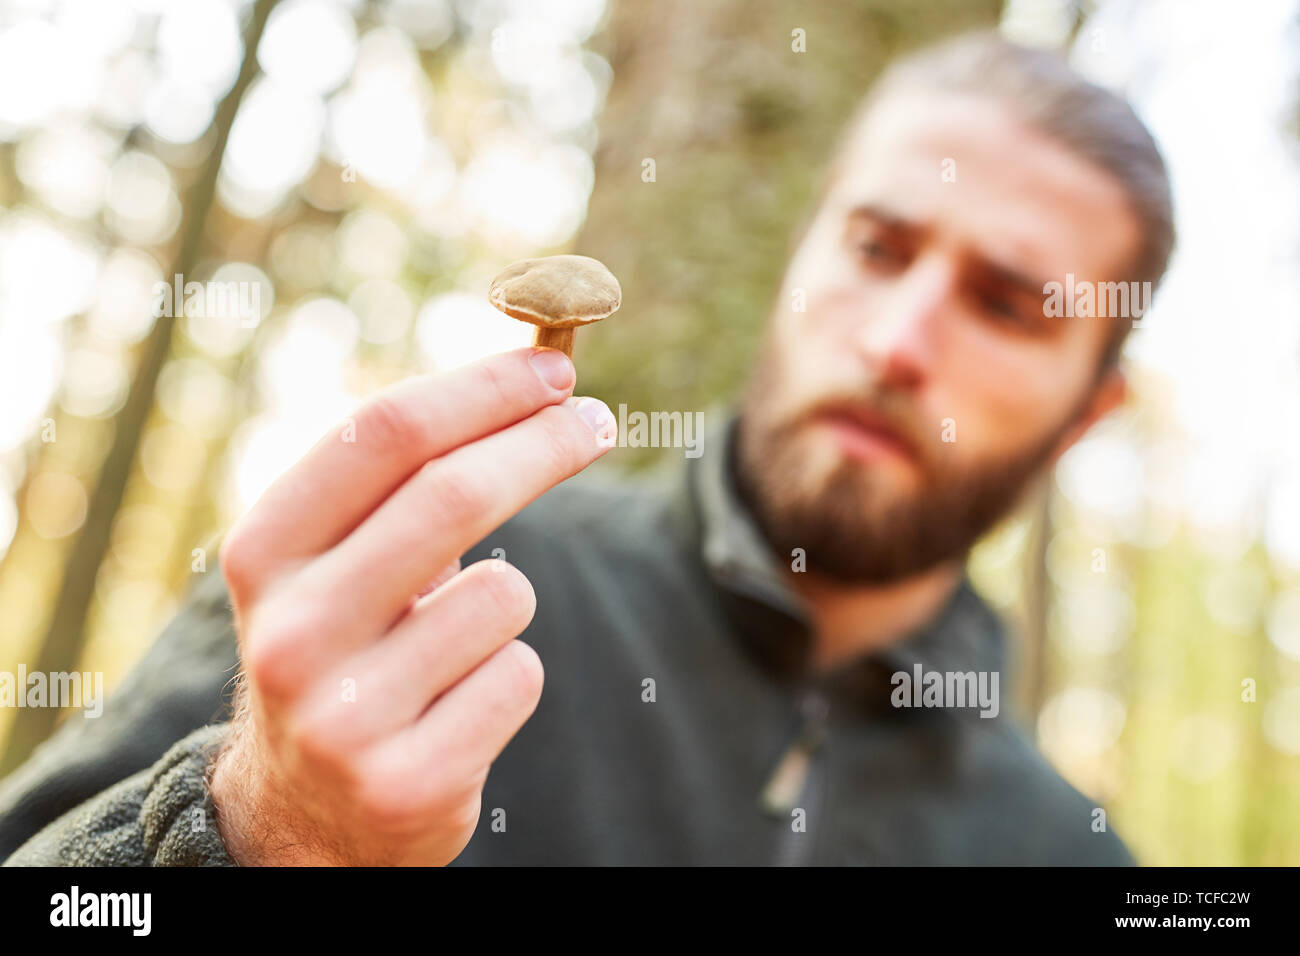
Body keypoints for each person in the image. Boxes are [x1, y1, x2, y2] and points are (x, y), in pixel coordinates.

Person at [0, 30, 1173, 866]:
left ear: (1087, 413)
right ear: (799, 255)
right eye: (874, 247)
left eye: (1009, 304)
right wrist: (259, 828)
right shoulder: (400, 578)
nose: (898, 338)